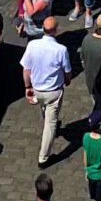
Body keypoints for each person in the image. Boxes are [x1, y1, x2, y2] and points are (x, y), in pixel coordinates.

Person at [22, 15, 74, 167]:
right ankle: (43, 158)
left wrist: (27, 87)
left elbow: (26, 69)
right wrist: (67, 80)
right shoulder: (61, 50)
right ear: (55, 30)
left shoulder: (32, 45)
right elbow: (67, 71)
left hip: (37, 89)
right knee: (50, 125)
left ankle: (47, 119)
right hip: (53, 91)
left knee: (44, 109)